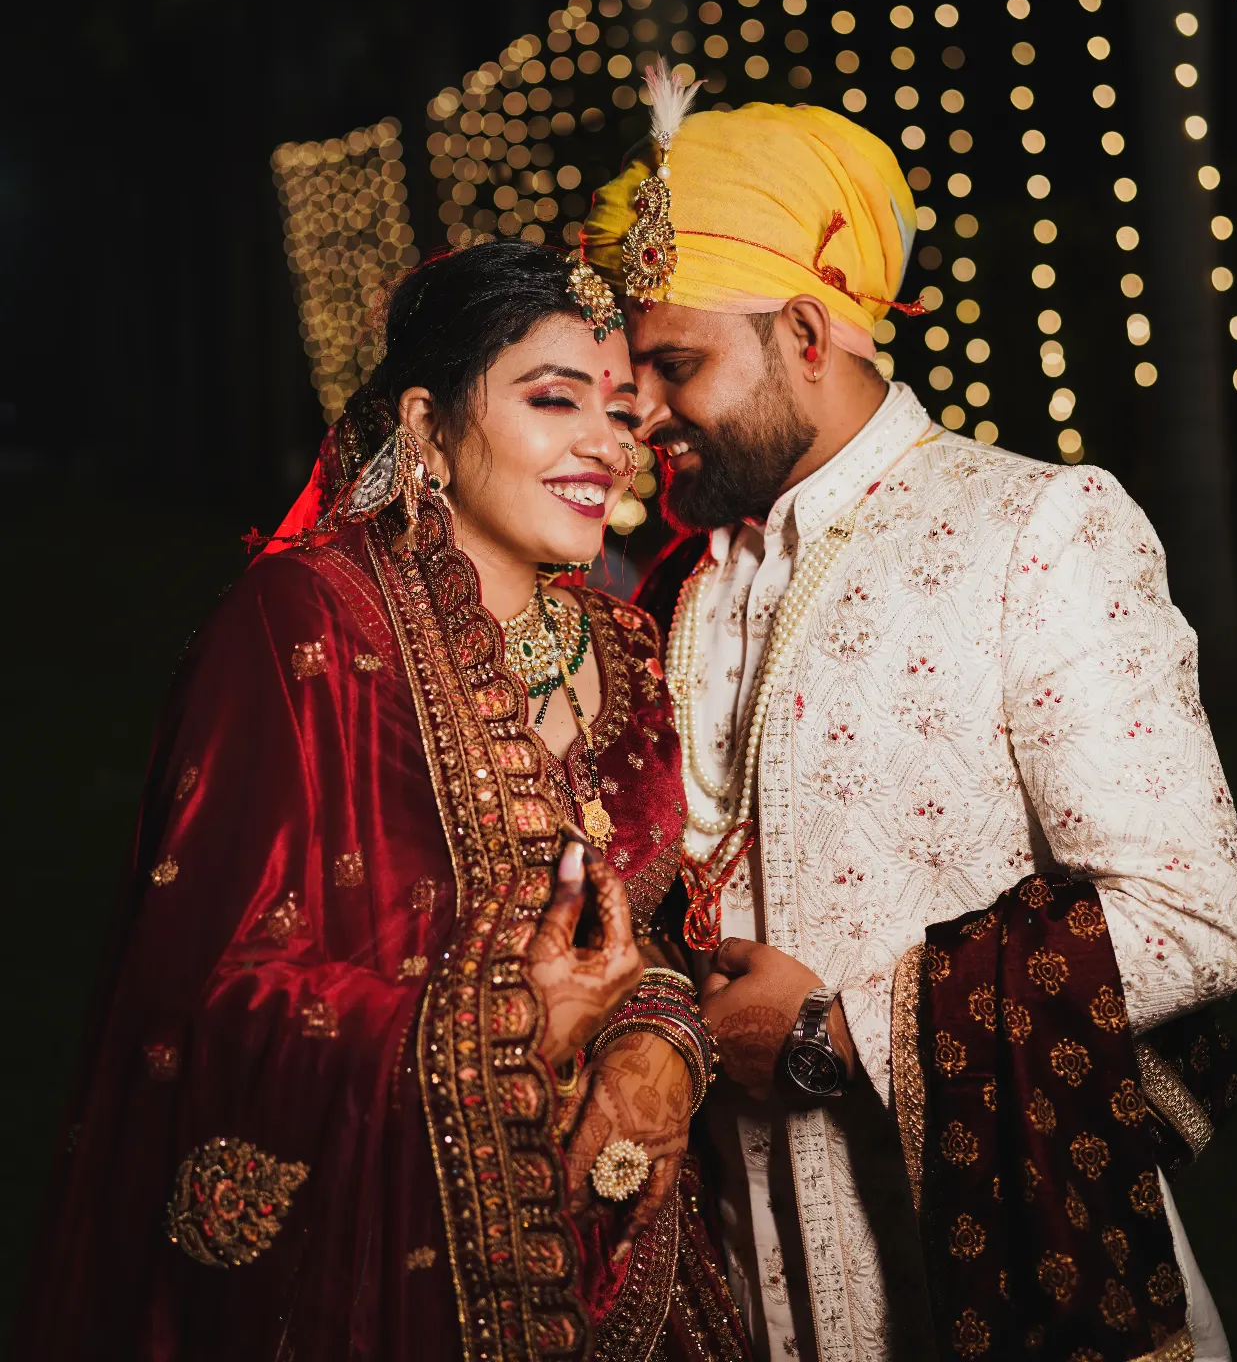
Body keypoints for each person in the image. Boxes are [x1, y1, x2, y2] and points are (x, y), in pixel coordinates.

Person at [582, 73, 1237, 1362]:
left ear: (803, 334)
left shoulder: (1034, 529)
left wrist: (835, 1036)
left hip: (999, 1268)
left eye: (676, 366)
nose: (643, 412)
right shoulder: (675, 590)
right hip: (735, 1283)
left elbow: (1190, 919)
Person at [16, 241, 747, 1362]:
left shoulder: (631, 648)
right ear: (425, 425)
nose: (608, 444)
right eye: (554, 400)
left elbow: (664, 927)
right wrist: (506, 1028)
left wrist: (660, 1041)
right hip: (388, 1267)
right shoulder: (304, 620)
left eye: (617, 410)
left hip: (631, 1254)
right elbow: (209, 981)